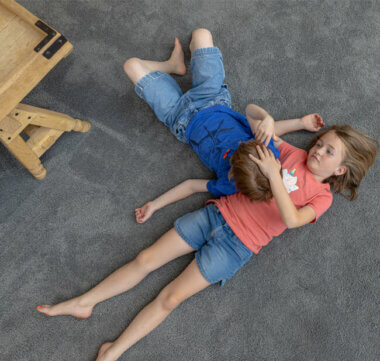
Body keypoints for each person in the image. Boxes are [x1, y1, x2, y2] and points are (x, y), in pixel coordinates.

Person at [35, 30, 379, 361]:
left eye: (327, 151)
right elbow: (251, 117)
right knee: (145, 259)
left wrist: (274, 174)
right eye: (320, 142)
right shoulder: (294, 152)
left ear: (340, 170)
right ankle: (85, 302)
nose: (317, 150)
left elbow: (290, 220)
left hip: (237, 246)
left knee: (170, 298)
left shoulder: (321, 197)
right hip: (216, 212)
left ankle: (111, 354)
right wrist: (273, 121)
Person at [121, 29, 325, 223]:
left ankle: (171, 66)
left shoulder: (229, 185)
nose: (228, 169)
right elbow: (250, 110)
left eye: (230, 171)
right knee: (201, 34)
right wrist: (272, 119)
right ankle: (173, 66)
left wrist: (155, 205)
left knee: (131, 65)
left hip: (180, 119)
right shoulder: (267, 151)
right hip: (211, 97)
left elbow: (191, 186)